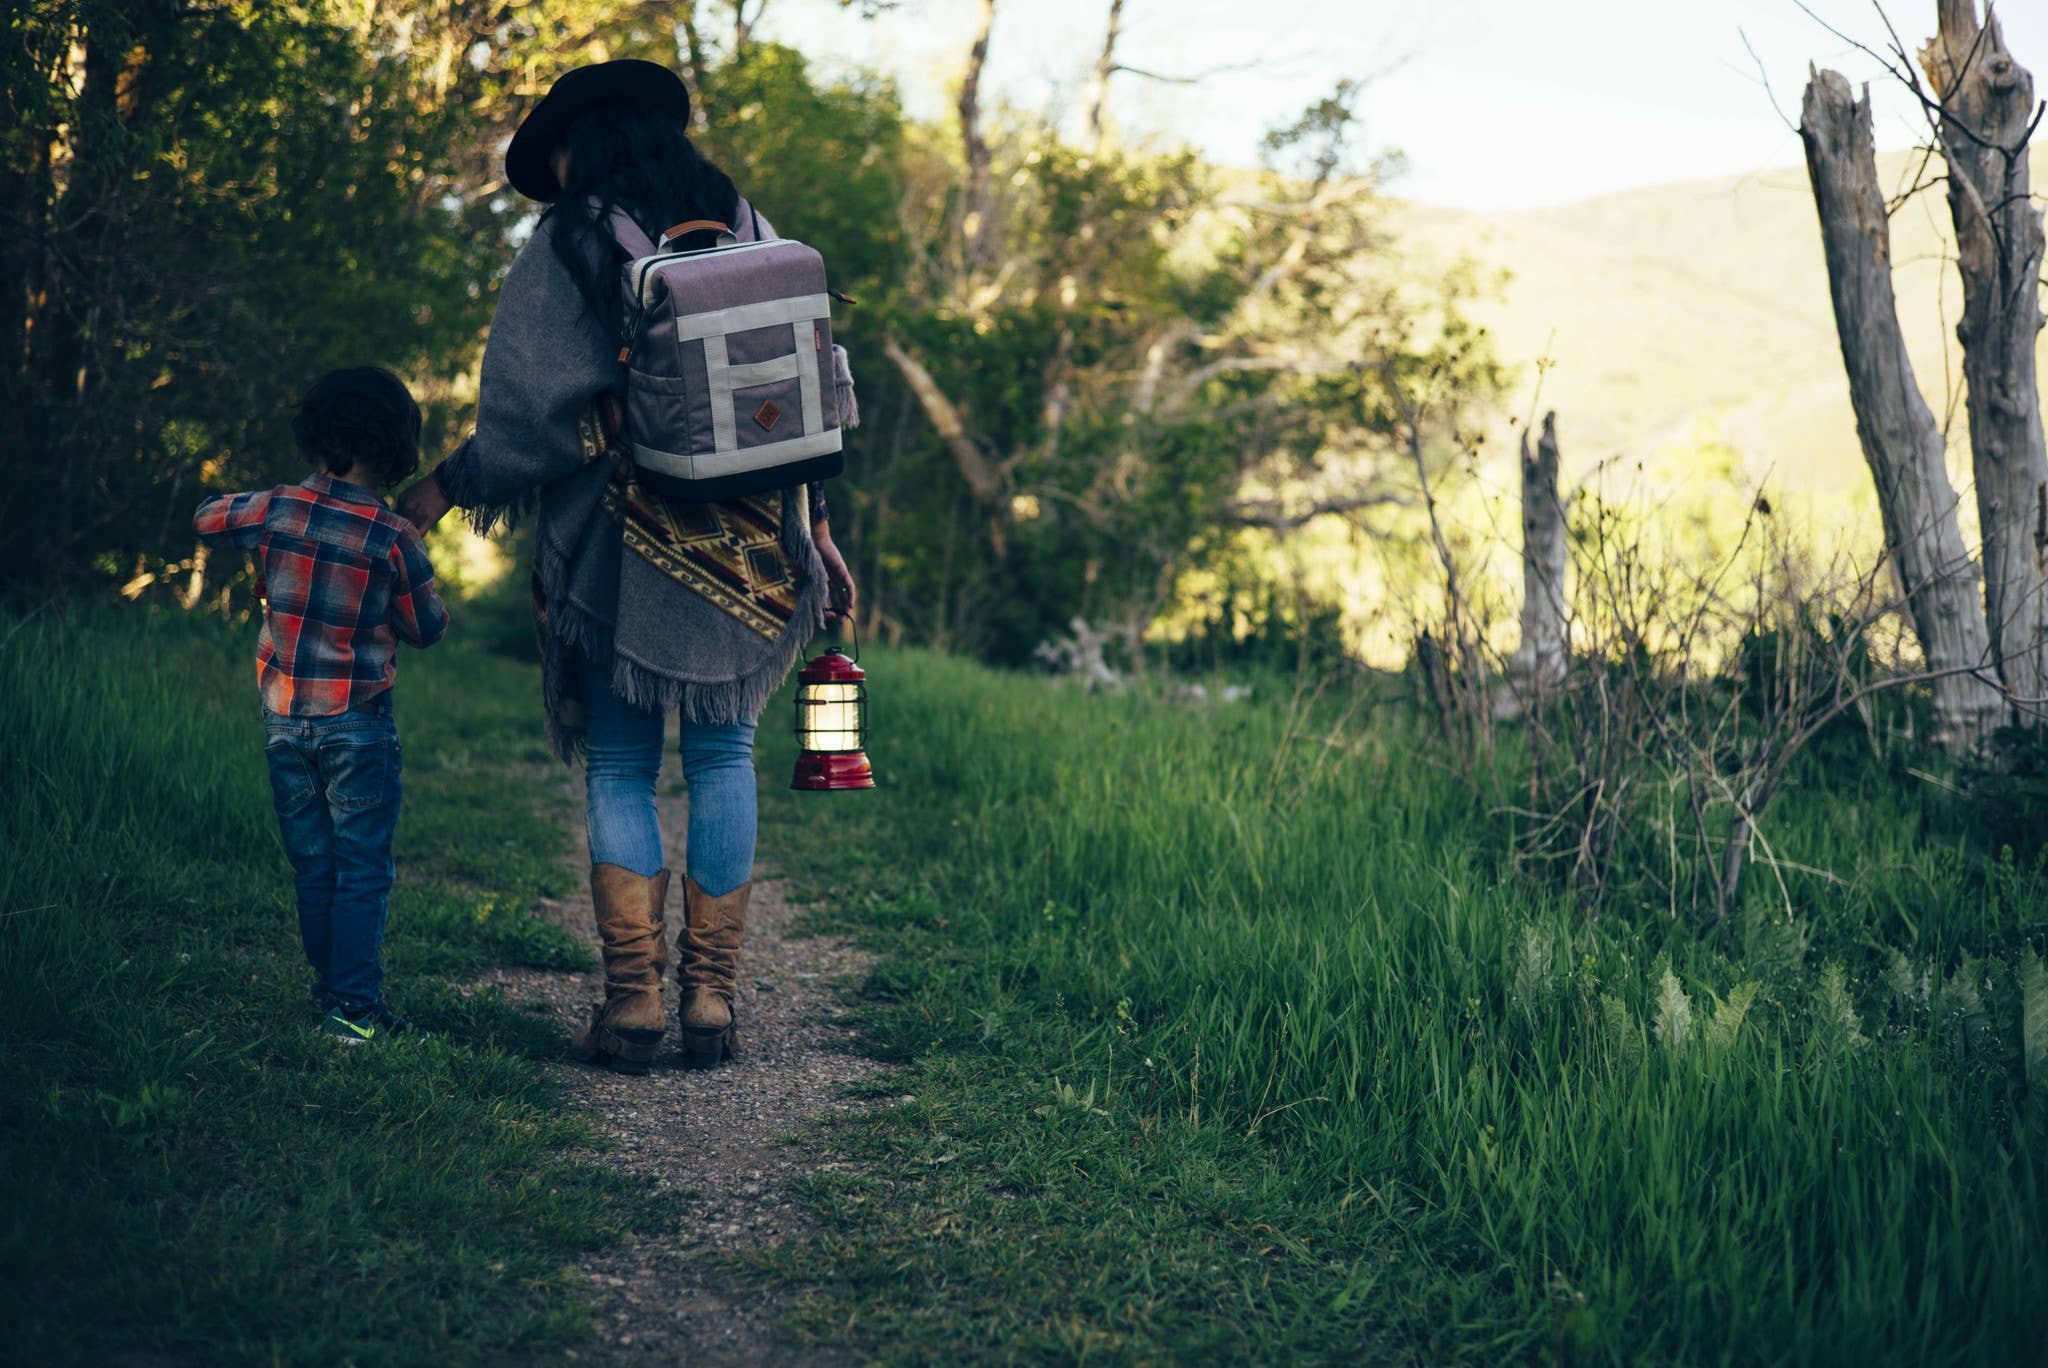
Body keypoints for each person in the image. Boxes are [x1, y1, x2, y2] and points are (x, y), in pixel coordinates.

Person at [397, 60, 858, 1074]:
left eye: (552, 151)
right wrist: (816, 526)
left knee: (618, 762)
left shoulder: (567, 240)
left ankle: (635, 1001)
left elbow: (530, 418)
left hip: (617, 540)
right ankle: (711, 1001)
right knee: (721, 758)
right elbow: (803, 389)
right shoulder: (739, 217)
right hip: (748, 542)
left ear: (580, 143)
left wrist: (444, 484)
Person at [195, 367, 450, 1042]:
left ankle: (330, 993)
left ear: (315, 436)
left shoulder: (275, 510)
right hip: (358, 728)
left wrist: (266, 555)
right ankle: (353, 1010)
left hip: (285, 723)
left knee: (314, 862)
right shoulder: (391, 536)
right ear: (397, 447)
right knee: (362, 865)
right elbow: (428, 628)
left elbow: (206, 519)